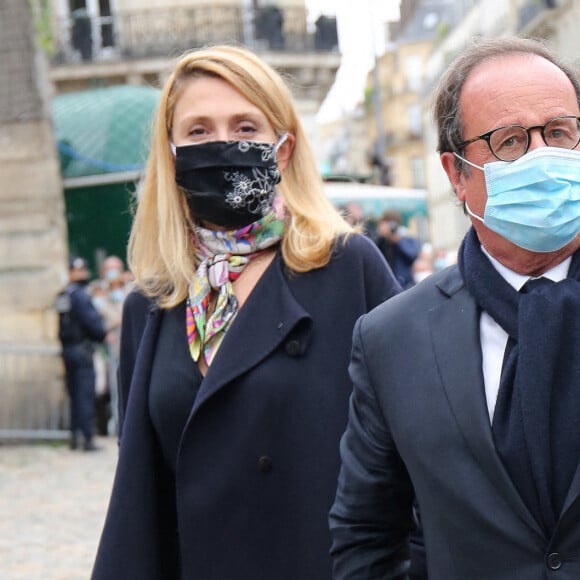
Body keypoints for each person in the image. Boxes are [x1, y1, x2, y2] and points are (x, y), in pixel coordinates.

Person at [92, 44, 400, 580]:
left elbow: (418, 443)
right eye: (198, 132)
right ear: (171, 154)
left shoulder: (348, 267)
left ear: (282, 149)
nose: (222, 145)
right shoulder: (155, 301)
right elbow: (143, 482)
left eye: (245, 127)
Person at [329, 36, 580, 579]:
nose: (544, 156)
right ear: (456, 174)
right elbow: (365, 536)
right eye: (510, 141)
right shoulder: (391, 338)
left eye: (560, 132)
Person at [56, 257, 108, 451]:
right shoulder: (80, 295)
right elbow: (92, 322)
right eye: (79, 270)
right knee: (84, 394)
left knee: (74, 394)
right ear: (71, 272)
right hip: (81, 349)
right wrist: (102, 334)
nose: (84, 274)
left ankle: (75, 437)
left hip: (68, 349)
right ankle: (87, 438)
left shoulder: (63, 294)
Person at [90, 255, 130, 436]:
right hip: (106, 350)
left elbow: (125, 317)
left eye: (116, 268)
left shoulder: (130, 289)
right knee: (105, 388)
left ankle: (125, 425)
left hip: (127, 347)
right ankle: (108, 424)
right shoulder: (97, 291)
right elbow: (109, 319)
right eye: (109, 269)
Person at [374, 210, 421, 288]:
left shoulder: (405, 238)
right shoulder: (381, 240)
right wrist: (381, 236)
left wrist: (397, 240)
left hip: (404, 283)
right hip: (387, 283)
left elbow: (412, 255)